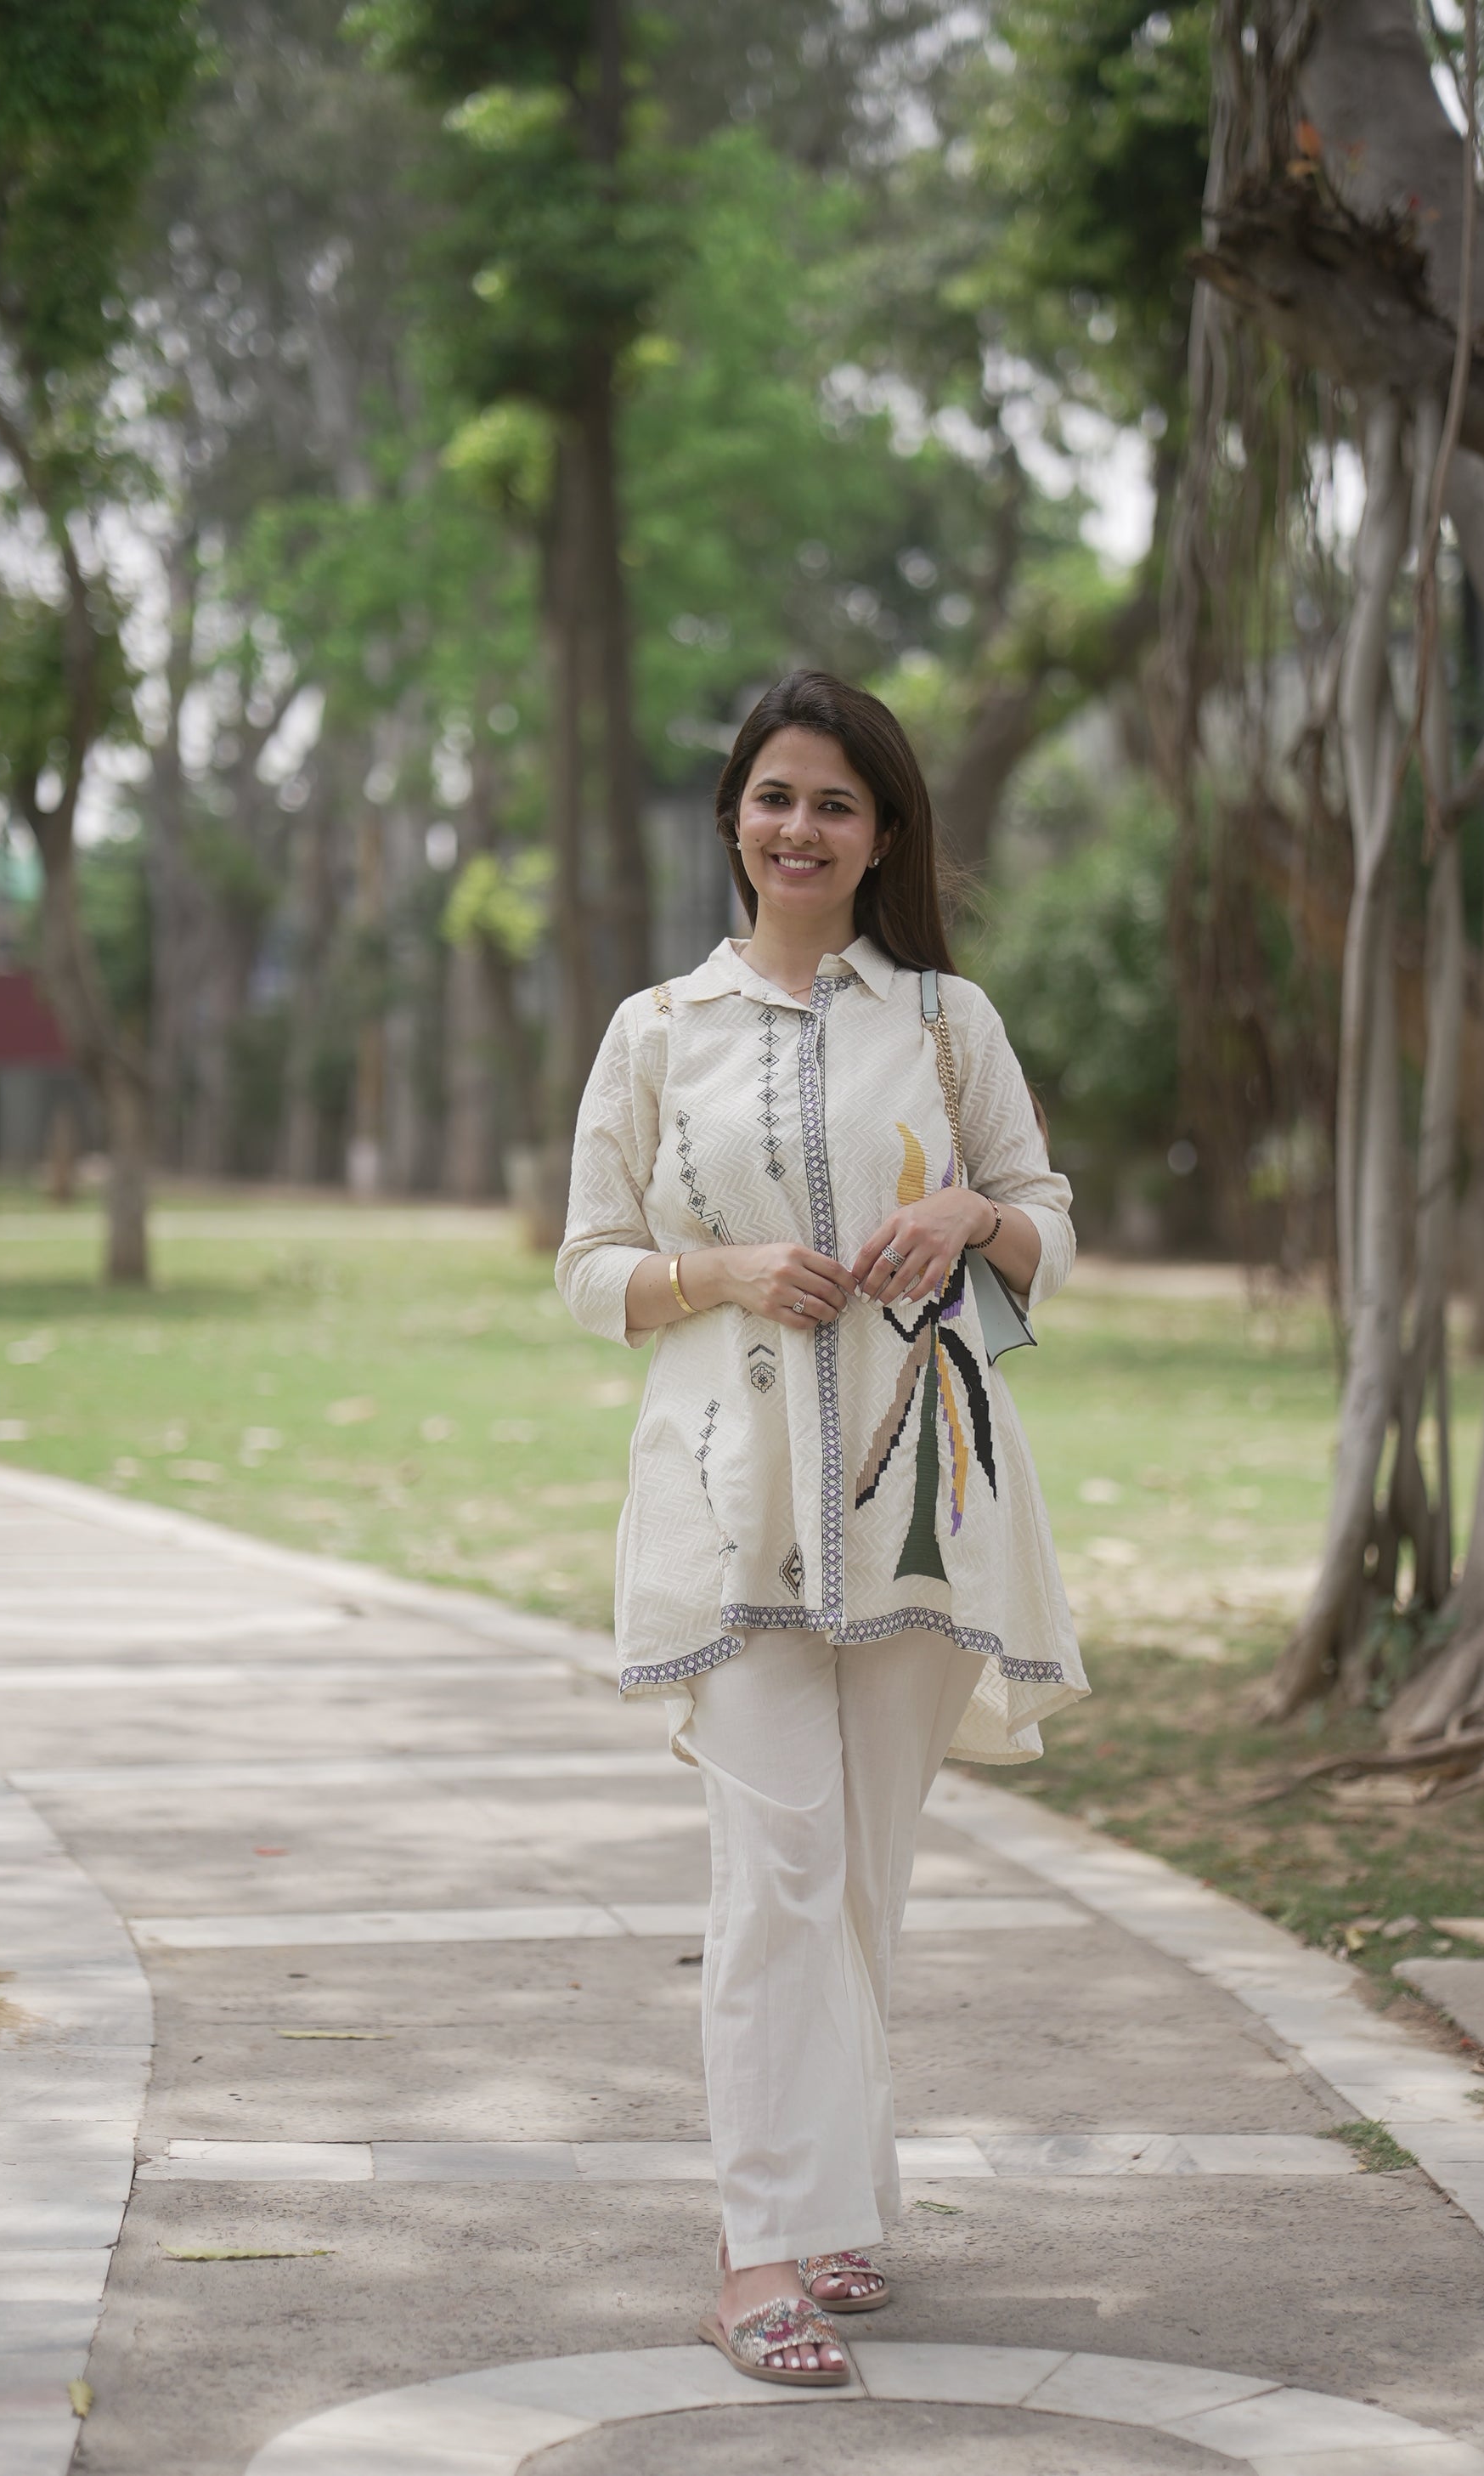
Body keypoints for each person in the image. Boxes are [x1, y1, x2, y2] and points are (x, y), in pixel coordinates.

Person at [556, 670, 1087, 2387]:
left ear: (882, 838)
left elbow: (1049, 1224)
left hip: (923, 1495)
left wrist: (966, 1211)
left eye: (836, 803)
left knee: (862, 1873)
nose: (799, 826)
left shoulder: (944, 1020)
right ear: (734, 817)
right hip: (732, 1504)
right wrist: (712, 1270)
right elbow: (585, 1269)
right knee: (775, 1870)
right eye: (775, 795)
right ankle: (756, 2248)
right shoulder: (657, 1031)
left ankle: (832, 2184)